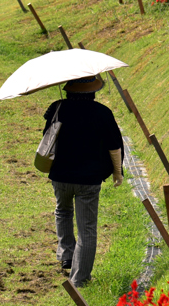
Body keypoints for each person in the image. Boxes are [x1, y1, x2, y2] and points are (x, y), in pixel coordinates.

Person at [41, 75, 124, 287]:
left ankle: (66, 254)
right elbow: (114, 146)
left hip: (60, 176)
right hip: (89, 180)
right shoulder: (102, 113)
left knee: (63, 210)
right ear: (93, 92)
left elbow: (47, 137)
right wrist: (117, 173)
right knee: (87, 228)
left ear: (69, 89)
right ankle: (80, 278)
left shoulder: (57, 107)